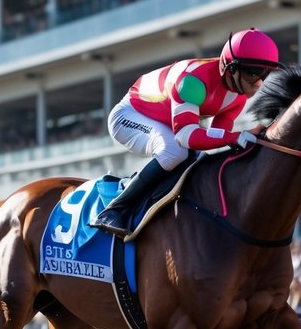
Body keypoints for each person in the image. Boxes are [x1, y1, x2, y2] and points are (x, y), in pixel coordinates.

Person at [90, 29, 281, 236]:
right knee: (175, 152)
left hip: (164, 121)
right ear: (231, 68)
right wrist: (236, 136)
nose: (259, 83)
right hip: (129, 115)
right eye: (253, 73)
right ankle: (114, 210)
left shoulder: (238, 97)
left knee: (199, 160)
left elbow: (214, 137)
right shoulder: (193, 81)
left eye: (265, 74)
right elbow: (186, 136)